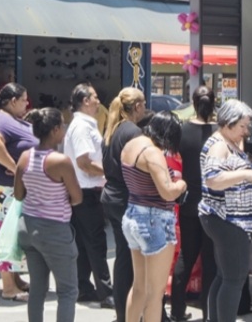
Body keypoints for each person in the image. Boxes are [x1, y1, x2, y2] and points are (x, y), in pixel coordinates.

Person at [199, 100, 252, 322]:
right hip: (227, 219)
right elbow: (213, 179)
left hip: (225, 219)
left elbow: (229, 172)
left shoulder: (227, 142)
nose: (246, 131)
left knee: (224, 277)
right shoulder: (219, 145)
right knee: (234, 279)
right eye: (242, 126)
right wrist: (247, 175)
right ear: (228, 123)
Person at [14, 107, 84, 322]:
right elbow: (77, 197)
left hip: (28, 227)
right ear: (54, 130)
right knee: (67, 290)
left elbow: (18, 194)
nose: (64, 129)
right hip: (54, 230)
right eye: (62, 125)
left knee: (37, 288)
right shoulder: (60, 161)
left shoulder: (25, 157)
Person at [121, 111, 188, 322]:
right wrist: (182, 184)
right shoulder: (152, 152)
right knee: (155, 293)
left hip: (133, 214)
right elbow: (167, 191)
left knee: (139, 287)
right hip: (154, 219)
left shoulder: (132, 144)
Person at [0, 82, 37, 302]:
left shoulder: (9, 119)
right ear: (13, 101)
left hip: (13, 188)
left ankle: (15, 279)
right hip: (6, 188)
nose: (27, 104)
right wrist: (15, 168)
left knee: (14, 232)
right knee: (5, 233)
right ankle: (8, 287)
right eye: (24, 100)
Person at [169, 85, 217, 322]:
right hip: (213, 203)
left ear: (193, 103)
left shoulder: (182, 131)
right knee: (210, 261)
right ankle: (208, 312)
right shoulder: (220, 133)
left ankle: (177, 310)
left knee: (186, 259)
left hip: (189, 203)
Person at [101, 87, 149, 322]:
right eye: (144, 104)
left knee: (123, 257)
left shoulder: (114, 128)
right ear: (137, 106)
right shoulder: (133, 132)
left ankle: (123, 312)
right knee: (133, 260)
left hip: (111, 195)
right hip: (125, 198)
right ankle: (129, 313)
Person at [64, 83, 114, 309]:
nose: (98, 101)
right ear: (85, 101)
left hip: (85, 190)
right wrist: (109, 171)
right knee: (95, 242)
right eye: (94, 97)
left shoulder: (83, 125)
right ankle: (106, 292)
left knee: (85, 243)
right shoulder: (82, 127)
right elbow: (84, 162)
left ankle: (83, 287)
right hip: (86, 191)